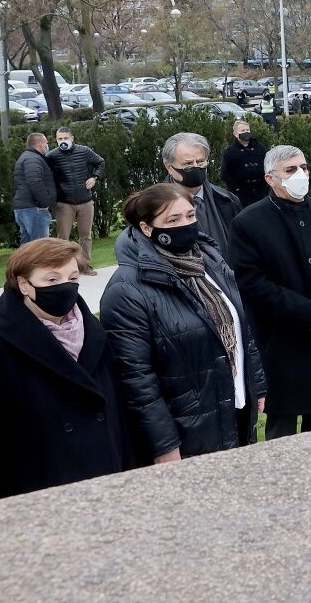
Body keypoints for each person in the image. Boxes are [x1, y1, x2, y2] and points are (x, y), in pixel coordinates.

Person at [0, 239, 133, 506]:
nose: (65, 287)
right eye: (52, 279)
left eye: (72, 277)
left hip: (108, 483)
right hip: (38, 496)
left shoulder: (94, 333)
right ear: (24, 285)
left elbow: (119, 413)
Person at [101, 184, 267, 460]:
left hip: (233, 407)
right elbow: (136, 380)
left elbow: (239, 325)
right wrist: (164, 445)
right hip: (186, 432)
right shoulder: (127, 290)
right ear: (146, 228)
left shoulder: (208, 260)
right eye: (173, 220)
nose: (186, 225)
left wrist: (256, 384)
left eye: (190, 216)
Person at [226, 145, 311, 439]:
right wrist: (308, 314)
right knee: (281, 429)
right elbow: (252, 283)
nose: (301, 175)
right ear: (270, 179)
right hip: (282, 341)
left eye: (304, 167)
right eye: (290, 170)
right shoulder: (248, 223)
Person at [160, 132, 243, 252]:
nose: (196, 167)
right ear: (169, 167)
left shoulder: (228, 200)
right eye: (188, 164)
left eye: (200, 162)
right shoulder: (155, 206)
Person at [45, 126, 105, 275]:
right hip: (64, 203)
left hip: (85, 201)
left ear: (72, 138)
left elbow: (100, 162)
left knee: (86, 236)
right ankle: (64, 267)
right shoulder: (52, 156)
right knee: (63, 237)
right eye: (60, 139)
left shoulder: (84, 151)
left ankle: (85, 265)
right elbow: (46, 175)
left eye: (65, 138)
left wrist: (95, 177)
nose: (63, 141)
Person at [12, 132, 56, 245]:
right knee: (40, 247)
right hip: (34, 208)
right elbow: (34, 181)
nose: (47, 146)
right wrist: (45, 203)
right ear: (41, 144)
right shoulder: (33, 159)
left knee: (27, 246)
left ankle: (23, 264)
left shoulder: (26, 157)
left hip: (23, 207)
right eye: (46, 143)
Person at [219, 120, 268, 208]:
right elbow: (224, 174)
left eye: (247, 130)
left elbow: (268, 165)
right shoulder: (230, 151)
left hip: (262, 190)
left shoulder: (259, 147)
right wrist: (236, 188)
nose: (246, 132)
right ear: (235, 134)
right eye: (242, 131)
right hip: (243, 194)